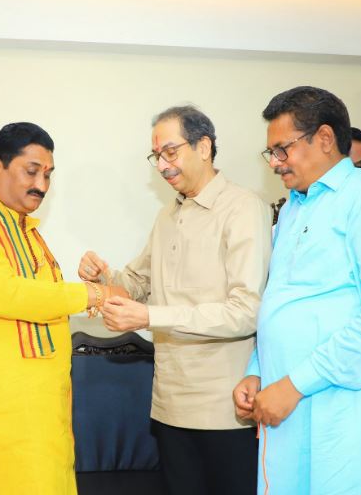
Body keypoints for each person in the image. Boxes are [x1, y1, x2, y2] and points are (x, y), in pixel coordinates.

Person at [233, 86, 361, 494]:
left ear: (326, 139)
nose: (276, 163)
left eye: (284, 149)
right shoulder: (295, 207)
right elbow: (285, 300)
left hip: (345, 409)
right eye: (272, 153)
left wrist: (296, 383)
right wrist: (257, 370)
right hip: (286, 404)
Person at [80, 106, 271, 495]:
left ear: (204, 146)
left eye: (171, 152)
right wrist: (103, 276)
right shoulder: (168, 215)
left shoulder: (243, 207)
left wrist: (149, 317)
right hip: (168, 404)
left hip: (225, 409)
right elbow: (136, 282)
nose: (163, 166)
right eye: (156, 157)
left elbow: (246, 311)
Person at [0, 122, 124, 495]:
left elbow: (45, 303)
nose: (42, 185)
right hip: (7, 421)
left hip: (50, 417)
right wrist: (90, 295)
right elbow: (1, 293)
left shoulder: (29, 232)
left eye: (47, 174)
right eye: (32, 171)